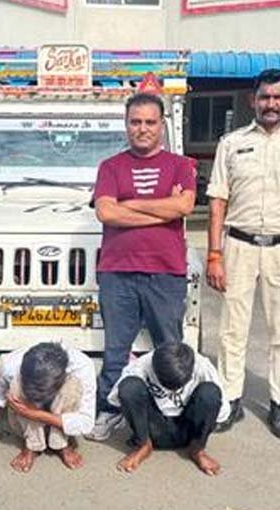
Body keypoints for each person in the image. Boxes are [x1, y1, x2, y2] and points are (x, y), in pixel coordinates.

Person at [206, 69, 280, 438]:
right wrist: (214, 254)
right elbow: (217, 201)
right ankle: (230, 400)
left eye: (278, 97)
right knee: (232, 330)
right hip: (239, 246)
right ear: (252, 100)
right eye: (264, 97)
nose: (270, 104)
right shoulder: (231, 143)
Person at [88, 92, 197, 441]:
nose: (142, 128)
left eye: (150, 122)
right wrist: (163, 208)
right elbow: (106, 212)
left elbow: (184, 207)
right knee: (115, 351)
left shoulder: (181, 165)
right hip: (117, 272)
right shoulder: (110, 167)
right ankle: (109, 411)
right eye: (135, 122)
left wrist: (130, 204)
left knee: (170, 349)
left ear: (161, 125)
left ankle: (173, 415)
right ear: (126, 124)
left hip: (166, 273)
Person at [0, 342, 96, 473]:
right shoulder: (11, 365)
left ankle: (60, 443)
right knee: (15, 386)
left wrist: (34, 414)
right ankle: (32, 444)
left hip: (57, 404)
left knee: (72, 387)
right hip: (25, 415)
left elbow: (86, 423)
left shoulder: (82, 367)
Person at [108, 343, 230, 476]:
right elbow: (116, 399)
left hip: (188, 429)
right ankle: (143, 445)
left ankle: (197, 450)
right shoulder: (141, 365)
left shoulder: (202, 366)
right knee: (129, 387)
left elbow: (222, 413)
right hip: (151, 428)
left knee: (210, 393)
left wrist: (201, 415)